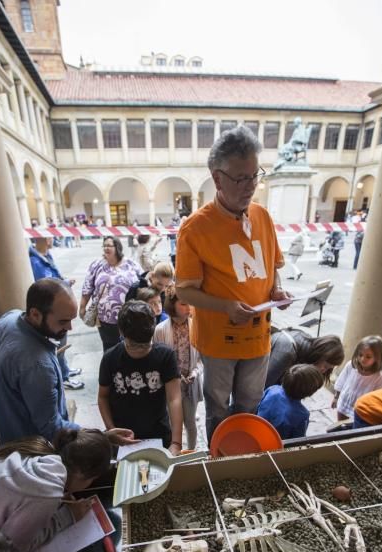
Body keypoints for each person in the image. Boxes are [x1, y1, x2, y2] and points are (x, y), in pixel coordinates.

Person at [175, 124, 290, 443]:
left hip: (258, 337)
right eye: (241, 178)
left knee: (250, 404)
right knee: (217, 407)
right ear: (217, 178)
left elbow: (272, 265)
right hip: (219, 343)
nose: (251, 186)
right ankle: (219, 458)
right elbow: (184, 290)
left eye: (255, 175)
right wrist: (225, 306)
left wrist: (276, 289)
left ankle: (242, 451)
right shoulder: (195, 228)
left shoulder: (263, 216)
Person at [0, 427, 111, 552]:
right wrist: (68, 516)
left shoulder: (33, 451)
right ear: (83, 475)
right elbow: (11, 549)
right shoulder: (47, 490)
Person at [0, 279, 81, 444]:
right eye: (63, 321)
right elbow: (52, 429)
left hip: (10, 436)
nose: (69, 328)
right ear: (35, 314)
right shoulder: (38, 365)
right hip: (34, 454)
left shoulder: (10, 318)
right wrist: (97, 435)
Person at [98, 301, 183, 454]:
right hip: (123, 437)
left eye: (145, 346)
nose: (139, 351)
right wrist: (112, 431)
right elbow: (103, 397)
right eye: (133, 346)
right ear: (121, 333)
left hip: (159, 433)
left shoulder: (165, 356)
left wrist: (176, 442)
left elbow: (174, 398)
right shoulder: (110, 358)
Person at [29, 237, 84, 390]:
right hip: (53, 307)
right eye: (49, 237)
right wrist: (64, 284)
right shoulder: (35, 262)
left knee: (62, 344)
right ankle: (63, 377)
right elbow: (46, 286)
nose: (52, 239)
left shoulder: (46, 256)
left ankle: (64, 370)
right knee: (57, 345)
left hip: (57, 307)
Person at [154, 289, 203, 449]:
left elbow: (202, 358)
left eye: (190, 303)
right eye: (183, 304)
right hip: (171, 384)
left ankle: (191, 451)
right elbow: (158, 359)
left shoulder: (196, 325)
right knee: (173, 421)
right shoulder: (161, 330)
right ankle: (175, 451)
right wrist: (174, 376)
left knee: (190, 422)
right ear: (172, 305)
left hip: (190, 382)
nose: (189, 307)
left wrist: (195, 372)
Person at [79, 236, 142, 352]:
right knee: (109, 349)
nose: (106, 248)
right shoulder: (97, 265)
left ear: (117, 247)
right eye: (104, 245)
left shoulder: (131, 264)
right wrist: (82, 307)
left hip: (130, 316)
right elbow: (87, 286)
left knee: (130, 348)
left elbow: (143, 283)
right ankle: (110, 369)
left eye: (109, 245)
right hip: (105, 318)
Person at [257, 364, 324, 439]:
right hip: (273, 445)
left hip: (254, 431)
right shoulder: (302, 415)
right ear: (310, 392)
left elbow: (258, 407)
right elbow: (297, 441)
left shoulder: (273, 389)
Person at [266, 329, 344, 388]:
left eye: (328, 369)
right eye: (326, 366)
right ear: (320, 354)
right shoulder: (288, 351)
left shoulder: (307, 345)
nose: (323, 371)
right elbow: (265, 386)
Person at [332, 335, 382, 421]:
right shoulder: (351, 366)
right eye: (360, 355)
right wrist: (336, 397)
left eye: (368, 357)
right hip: (344, 403)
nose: (363, 359)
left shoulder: (379, 377)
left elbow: (377, 396)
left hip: (360, 410)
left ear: (377, 358)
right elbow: (341, 381)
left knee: (353, 430)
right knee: (340, 425)